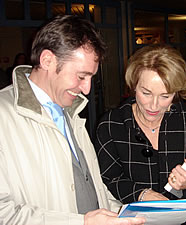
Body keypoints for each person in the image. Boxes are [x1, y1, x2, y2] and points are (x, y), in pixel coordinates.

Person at [0, 15, 146, 225]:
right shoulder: (4, 117)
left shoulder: (71, 112)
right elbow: (4, 213)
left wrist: (124, 214)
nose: (86, 89)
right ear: (47, 60)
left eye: (90, 78)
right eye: (81, 76)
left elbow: (91, 186)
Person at [95, 45, 186, 225]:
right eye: (146, 93)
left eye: (165, 96)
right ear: (133, 86)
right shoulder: (112, 124)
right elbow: (109, 177)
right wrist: (141, 194)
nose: (154, 106)